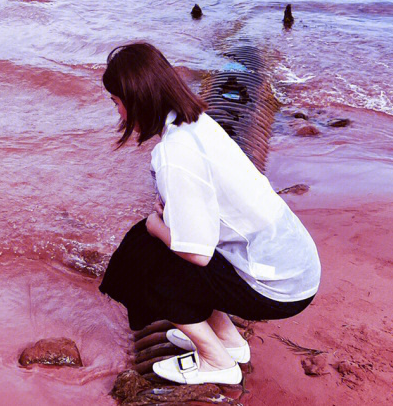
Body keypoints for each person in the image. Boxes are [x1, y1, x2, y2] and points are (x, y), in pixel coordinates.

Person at [98, 42, 320, 386]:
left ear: (136, 99)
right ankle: (229, 341)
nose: (118, 114)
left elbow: (197, 254)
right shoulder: (196, 122)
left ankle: (216, 361)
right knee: (149, 242)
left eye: (116, 103)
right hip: (293, 268)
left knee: (142, 260)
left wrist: (156, 226)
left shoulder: (175, 152)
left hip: (277, 287)